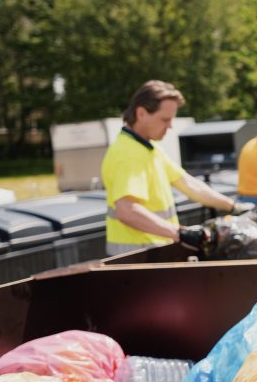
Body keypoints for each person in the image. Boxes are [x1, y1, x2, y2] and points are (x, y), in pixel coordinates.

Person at [101, 80, 248, 256]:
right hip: (135, 259)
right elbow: (127, 211)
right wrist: (180, 233)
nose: (170, 126)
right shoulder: (127, 154)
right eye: (165, 119)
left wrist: (234, 207)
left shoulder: (149, 149)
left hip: (151, 253)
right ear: (141, 113)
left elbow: (189, 184)